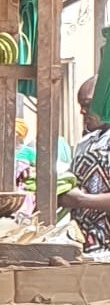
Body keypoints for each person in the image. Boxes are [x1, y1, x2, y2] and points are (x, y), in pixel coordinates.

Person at [59, 77, 110, 259]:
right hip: (82, 249)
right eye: (81, 105)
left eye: (88, 104)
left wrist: (83, 200)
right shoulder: (86, 142)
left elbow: (80, 199)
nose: (82, 111)